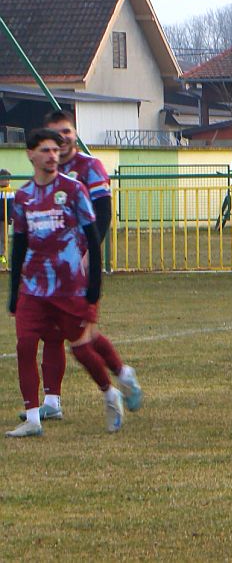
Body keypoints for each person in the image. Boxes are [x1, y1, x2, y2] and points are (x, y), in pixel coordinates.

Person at [7, 129, 126, 437]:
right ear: (30, 154)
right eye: (45, 150)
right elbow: (19, 244)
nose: (52, 155)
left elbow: (91, 237)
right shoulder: (22, 197)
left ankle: (110, 393)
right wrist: (12, 293)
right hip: (33, 288)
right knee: (24, 346)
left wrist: (93, 287)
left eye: (55, 150)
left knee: (82, 349)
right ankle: (32, 417)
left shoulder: (73, 190)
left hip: (68, 287)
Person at [26, 111, 142, 423]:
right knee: (52, 335)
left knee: (83, 338)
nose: (60, 140)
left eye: (65, 132)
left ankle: (121, 376)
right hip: (51, 272)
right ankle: (52, 400)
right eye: (53, 134)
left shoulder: (90, 168)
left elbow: (102, 213)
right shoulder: (45, 171)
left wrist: (92, 250)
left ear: (75, 134)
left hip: (80, 268)